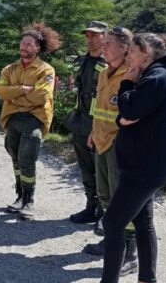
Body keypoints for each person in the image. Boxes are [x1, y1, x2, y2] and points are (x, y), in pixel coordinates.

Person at [100, 33, 166, 283]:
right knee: (143, 221)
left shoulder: (156, 78)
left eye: (132, 52)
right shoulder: (157, 75)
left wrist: (126, 83)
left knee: (113, 223)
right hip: (150, 163)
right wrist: (123, 119)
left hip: (145, 167)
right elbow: (128, 117)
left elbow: (129, 109)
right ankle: (147, 278)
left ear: (146, 53)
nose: (128, 56)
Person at [82, 27, 139, 276]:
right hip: (101, 140)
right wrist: (93, 130)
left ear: (125, 48)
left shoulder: (133, 74)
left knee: (122, 200)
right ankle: (112, 240)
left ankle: (130, 253)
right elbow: (99, 106)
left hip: (120, 143)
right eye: (103, 44)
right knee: (105, 195)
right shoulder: (104, 72)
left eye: (108, 44)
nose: (102, 48)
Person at [0, 22, 61, 221]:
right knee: (15, 157)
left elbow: (41, 95)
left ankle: (28, 201)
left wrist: (14, 96)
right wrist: (22, 90)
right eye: (22, 43)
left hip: (34, 119)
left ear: (38, 48)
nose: (24, 47)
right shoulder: (10, 69)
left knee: (27, 158)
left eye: (29, 44)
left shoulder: (45, 70)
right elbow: (0, 90)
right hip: (13, 118)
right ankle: (19, 196)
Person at [65, 21, 108, 229]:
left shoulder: (110, 63)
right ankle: (91, 207)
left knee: (102, 171)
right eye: (87, 35)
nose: (90, 39)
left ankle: (104, 214)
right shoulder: (82, 61)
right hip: (81, 122)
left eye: (95, 35)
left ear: (105, 37)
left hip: (100, 124)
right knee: (86, 169)